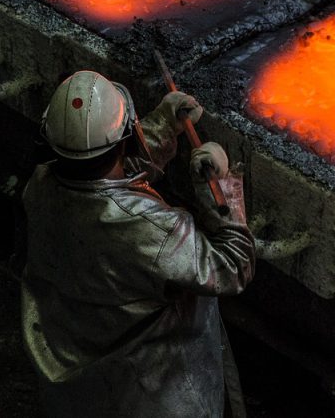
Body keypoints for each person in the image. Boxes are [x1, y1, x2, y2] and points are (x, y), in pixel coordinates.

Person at [20, 70, 256, 417]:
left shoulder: (39, 188)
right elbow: (233, 267)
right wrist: (219, 187)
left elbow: (101, 172)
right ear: (127, 138)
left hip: (73, 377)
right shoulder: (150, 229)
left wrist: (163, 125)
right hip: (148, 392)